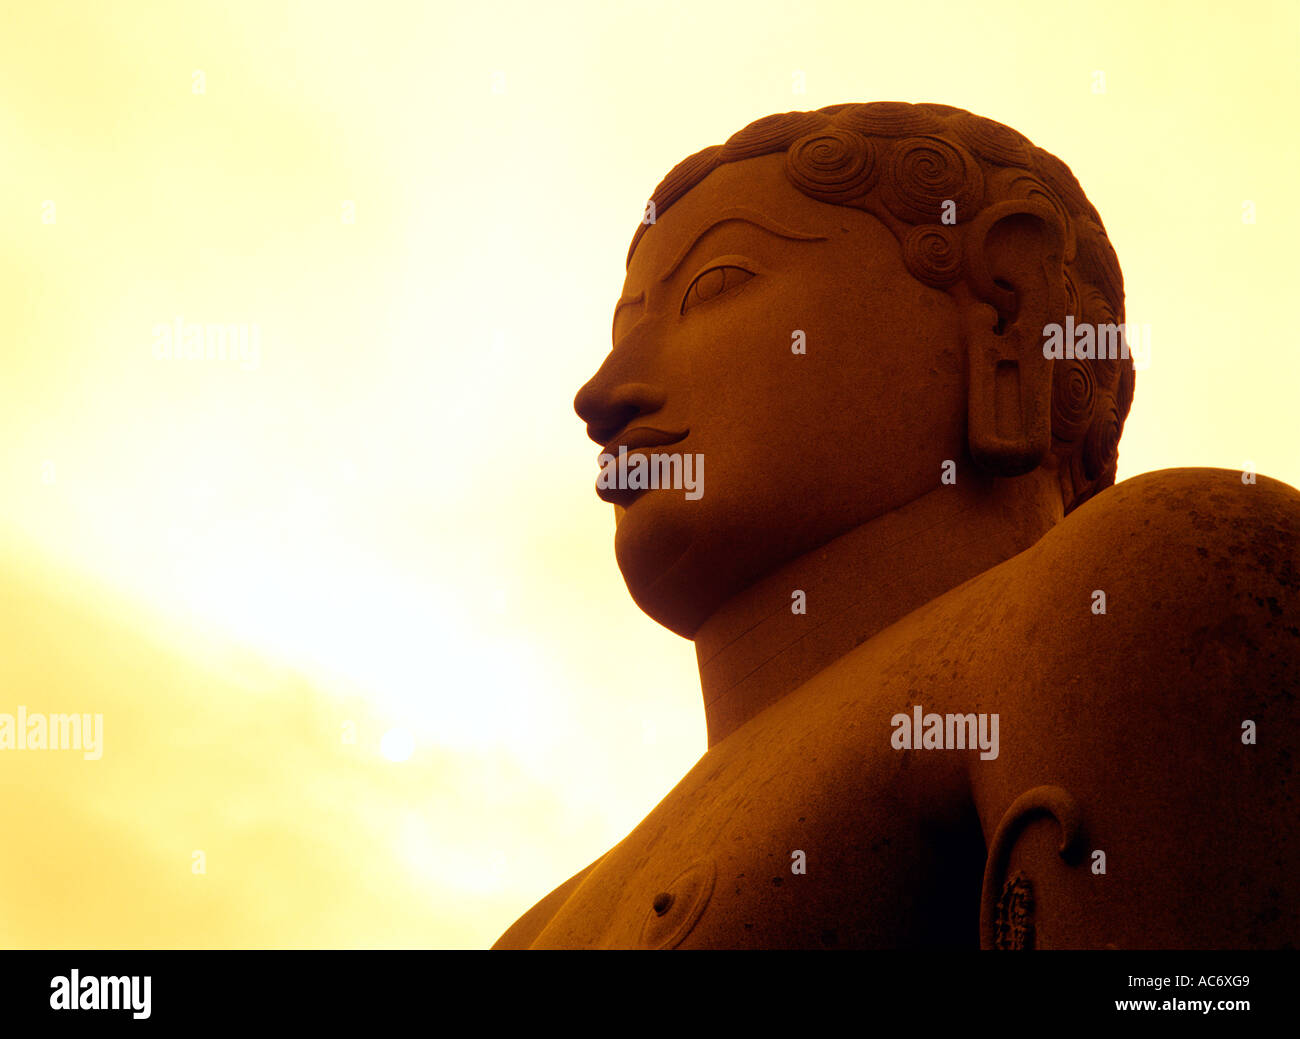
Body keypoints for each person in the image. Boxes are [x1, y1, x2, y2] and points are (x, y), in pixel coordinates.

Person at [495, 102, 1300, 949]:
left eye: (713, 285)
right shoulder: (538, 927)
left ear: (1004, 309)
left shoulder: (1130, 589)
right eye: (625, 329)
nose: (602, 392)